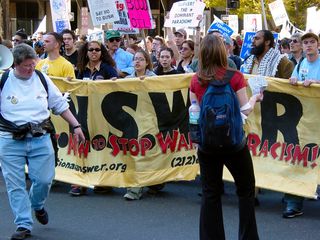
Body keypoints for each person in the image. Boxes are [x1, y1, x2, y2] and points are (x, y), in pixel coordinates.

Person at [0, 43, 85, 240]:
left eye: (33, 64)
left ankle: (37, 205)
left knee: (45, 179)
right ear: (15, 64)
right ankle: (23, 223)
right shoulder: (4, 80)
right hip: (10, 139)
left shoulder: (41, 78)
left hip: (39, 137)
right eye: (26, 65)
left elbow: (59, 104)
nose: (31, 69)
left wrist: (76, 125)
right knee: (15, 184)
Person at [190, 34, 261, 240]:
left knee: (210, 193)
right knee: (246, 190)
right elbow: (245, 110)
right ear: (224, 51)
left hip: (207, 145)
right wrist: (256, 97)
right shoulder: (236, 76)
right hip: (234, 144)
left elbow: (194, 113)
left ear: (202, 53)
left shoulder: (196, 80)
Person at [284, 33, 320, 218]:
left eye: (311, 42)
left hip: (318, 122)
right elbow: (294, 83)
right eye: (305, 42)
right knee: (299, 158)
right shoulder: (300, 64)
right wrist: (293, 81)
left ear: (318, 44)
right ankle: (293, 202)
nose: (308, 45)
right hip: (305, 123)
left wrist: (316, 84)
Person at [122, 49, 156, 200]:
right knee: (136, 153)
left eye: (141, 59)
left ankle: (155, 182)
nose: (137, 62)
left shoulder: (154, 78)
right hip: (132, 122)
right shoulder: (128, 79)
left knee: (149, 154)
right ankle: (134, 189)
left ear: (147, 62)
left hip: (150, 121)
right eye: (135, 59)